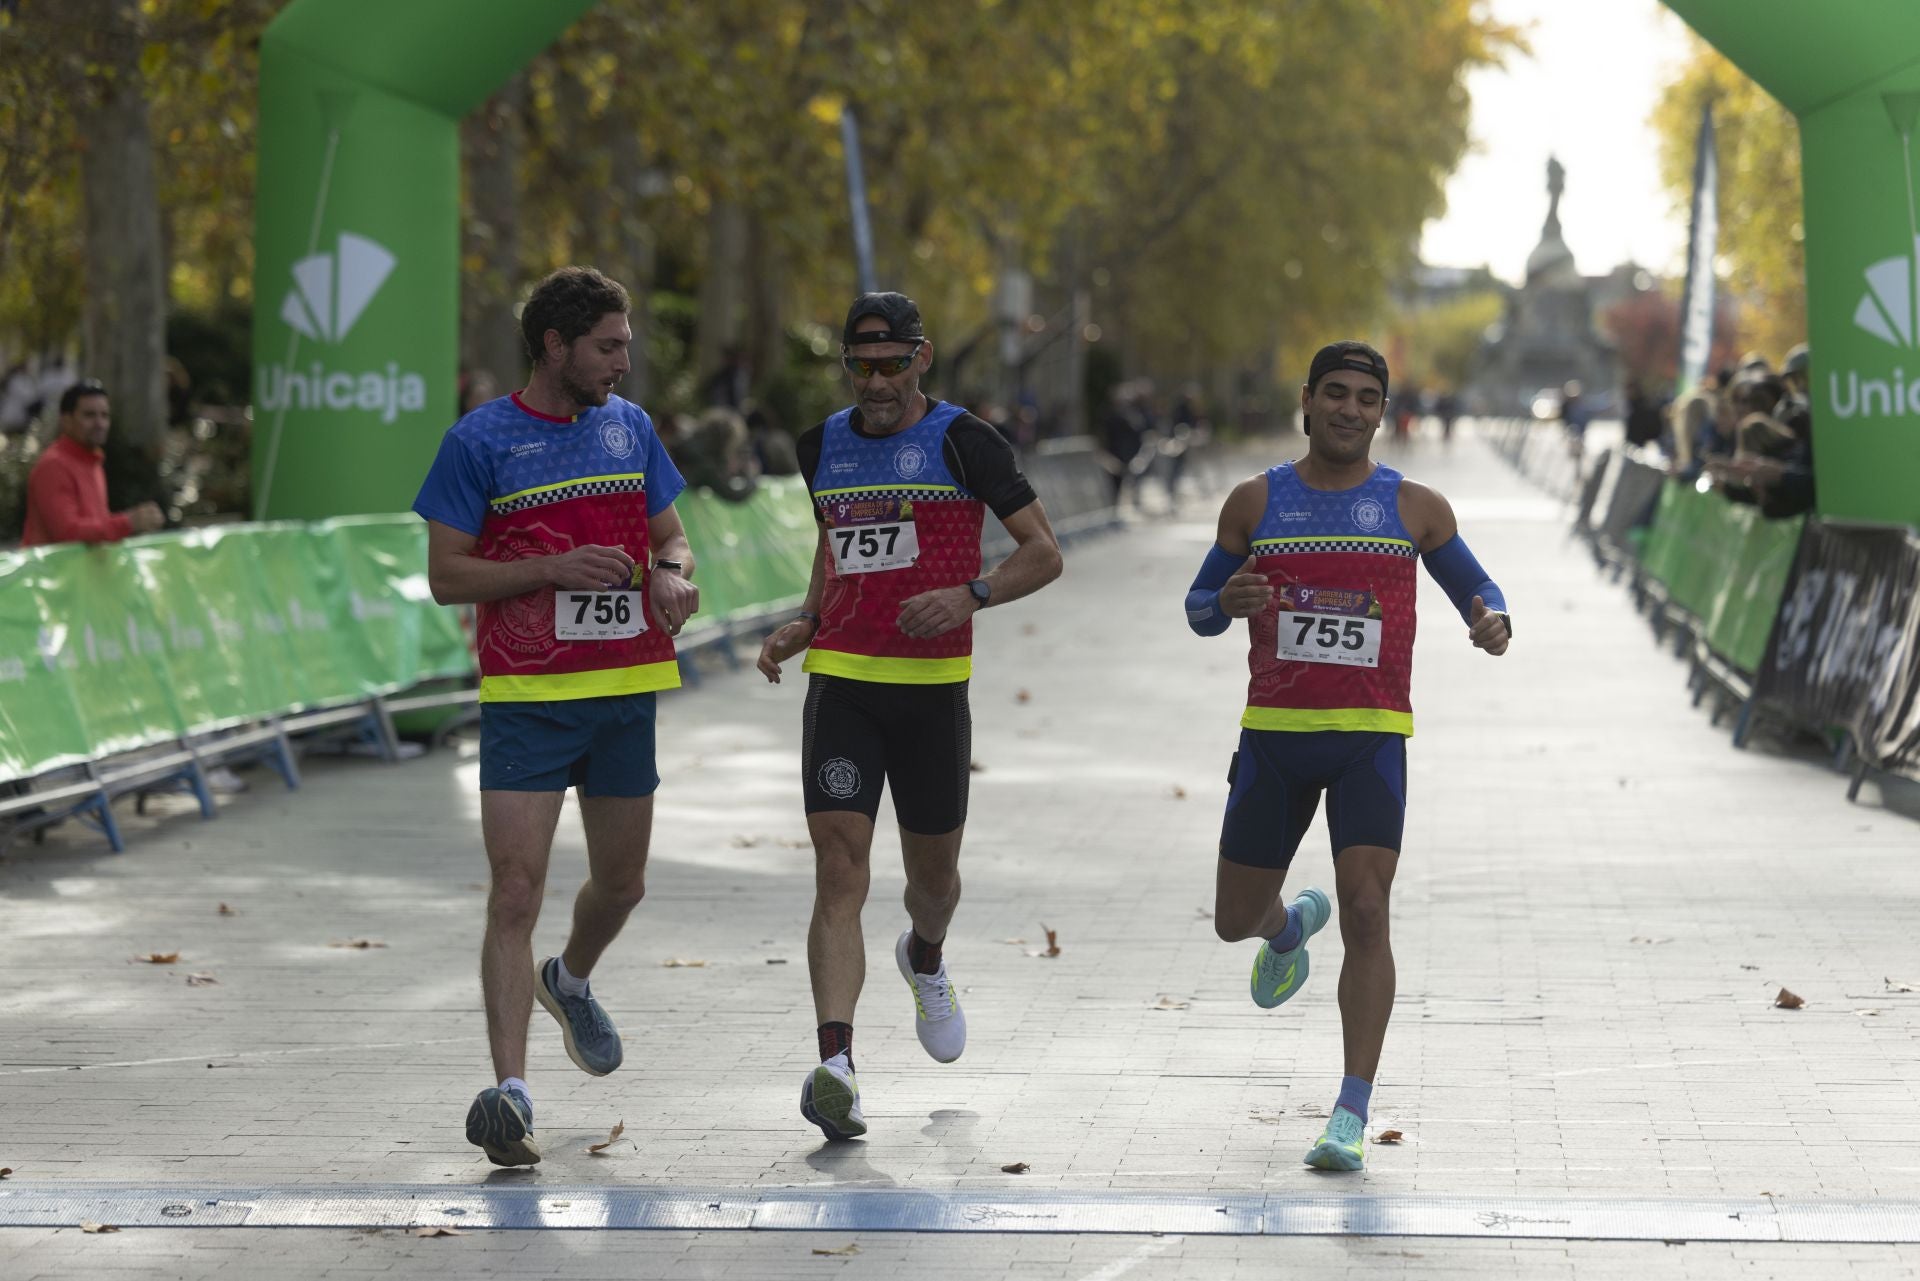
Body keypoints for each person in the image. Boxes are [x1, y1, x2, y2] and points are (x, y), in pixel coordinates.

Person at [1183, 341, 1510, 1172]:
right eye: (1336, 393)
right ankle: (1286, 928)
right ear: (1307, 399)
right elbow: (1197, 607)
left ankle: (1349, 1113)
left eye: (1367, 398)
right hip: (1275, 740)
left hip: (1370, 738)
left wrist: (1491, 619)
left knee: (1369, 910)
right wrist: (1227, 598)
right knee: (1232, 921)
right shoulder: (1256, 501)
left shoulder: (1415, 508)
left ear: (1382, 410)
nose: (1350, 410)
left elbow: (1480, 586)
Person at [755, 291, 1063, 1142]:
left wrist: (971, 593)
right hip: (843, 683)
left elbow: (1044, 552)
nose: (878, 382)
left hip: (932, 692)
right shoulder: (821, 442)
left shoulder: (966, 439)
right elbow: (836, 541)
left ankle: (924, 954)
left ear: (922, 358)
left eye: (893, 364)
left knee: (934, 882)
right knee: (839, 869)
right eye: (863, 366)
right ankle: (836, 1066)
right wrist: (807, 619)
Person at [412, 266, 701, 1167]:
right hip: (527, 702)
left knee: (622, 886)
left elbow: (673, 534)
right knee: (515, 890)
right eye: (608, 346)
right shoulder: (479, 440)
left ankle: (568, 978)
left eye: (625, 344)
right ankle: (511, 1097)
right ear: (554, 346)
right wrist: (547, 569)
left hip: (621, 696)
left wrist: (673, 573)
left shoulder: (633, 426)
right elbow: (446, 575)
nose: (624, 361)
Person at [21, 380, 164, 546]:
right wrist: (128, 523)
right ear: (66, 421)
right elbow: (67, 532)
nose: (100, 424)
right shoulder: (53, 466)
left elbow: (95, 528)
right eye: (89, 415)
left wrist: (134, 525)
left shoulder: (93, 462)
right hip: (48, 571)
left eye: (105, 415)